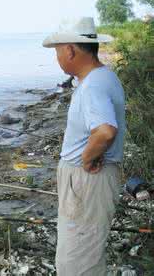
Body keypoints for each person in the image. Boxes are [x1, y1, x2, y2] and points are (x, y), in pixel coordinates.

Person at [42, 17, 126, 275]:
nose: (57, 59)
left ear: (70, 50)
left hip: (86, 180)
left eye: (57, 52)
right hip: (88, 181)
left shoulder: (92, 85)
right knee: (83, 254)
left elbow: (105, 131)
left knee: (76, 264)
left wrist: (87, 158)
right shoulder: (103, 76)